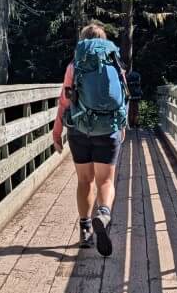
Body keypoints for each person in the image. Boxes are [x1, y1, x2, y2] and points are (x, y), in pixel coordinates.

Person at [52, 23, 128, 257]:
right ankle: (103, 213)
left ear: (82, 41)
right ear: (104, 41)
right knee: (105, 181)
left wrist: (57, 131)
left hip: (80, 130)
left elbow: (64, 101)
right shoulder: (115, 64)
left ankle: (85, 229)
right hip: (108, 130)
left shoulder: (75, 65)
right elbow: (124, 96)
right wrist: (121, 126)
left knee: (85, 181)